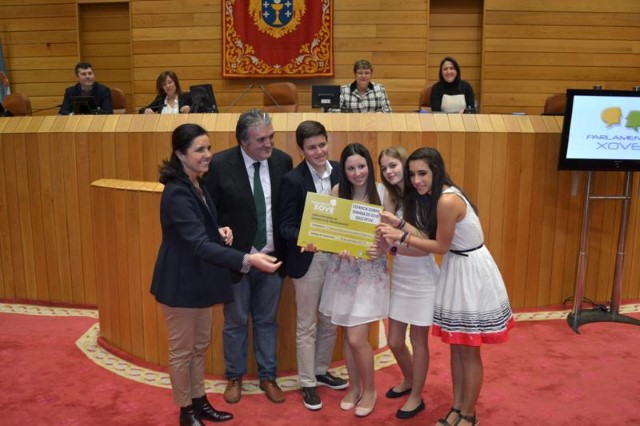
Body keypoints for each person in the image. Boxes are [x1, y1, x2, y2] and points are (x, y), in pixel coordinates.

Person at [150, 123, 282, 426]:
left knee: (199, 347)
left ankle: (200, 403)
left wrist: (217, 230)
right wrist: (247, 259)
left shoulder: (197, 183)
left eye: (208, 148)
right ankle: (186, 412)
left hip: (202, 280)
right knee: (182, 352)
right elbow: (196, 243)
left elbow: (200, 231)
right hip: (181, 284)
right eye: (200, 149)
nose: (208, 154)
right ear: (180, 154)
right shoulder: (176, 191)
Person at [377, 147, 514, 426]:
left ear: (436, 170)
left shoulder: (447, 200)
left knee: (468, 349)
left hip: (470, 271)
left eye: (423, 173)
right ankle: (457, 407)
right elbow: (434, 239)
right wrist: (401, 223)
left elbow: (438, 246)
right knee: (456, 346)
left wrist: (400, 234)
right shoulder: (436, 196)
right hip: (457, 267)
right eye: (412, 174)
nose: (416, 180)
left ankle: (469, 413)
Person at [203, 109, 293, 405]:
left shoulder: (282, 161)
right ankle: (234, 377)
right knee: (235, 321)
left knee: (268, 321)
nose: (269, 144)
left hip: (272, 260)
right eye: (261, 140)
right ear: (243, 141)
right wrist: (218, 231)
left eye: (271, 137)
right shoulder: (218, 165)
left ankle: (268, 376)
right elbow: (208, 213)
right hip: (236, 261)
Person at [279, 120, 348, 411]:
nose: (319, 151)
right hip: (309, 258)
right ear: (301, 149)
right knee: (307, 323)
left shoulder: (342, 170)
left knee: (330, 319)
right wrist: (303, 240)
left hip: (339, 255)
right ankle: (307, 382)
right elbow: (285, 226)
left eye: (322, 144)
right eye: (311, 148)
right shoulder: (292, 180)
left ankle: (321, 369)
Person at [318, 143, 389, 418]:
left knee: (358, 337)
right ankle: (355, 386)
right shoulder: (337, 193)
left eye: (361, 166)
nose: (357, 173)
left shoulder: (383, 193)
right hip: (344, 271)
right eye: (350, 168)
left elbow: (392, 236)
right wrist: (338, 245)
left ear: (369, 167)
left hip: (370, 274)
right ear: (343, 171)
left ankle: (370, 390)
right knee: (348, 336)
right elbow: (331, 235)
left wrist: (381, 248)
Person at [378, 146, 439, 420]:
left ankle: (416, 396)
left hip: (423, 277)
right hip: (401, 274)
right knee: (394, 340)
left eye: (393, 165)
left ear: (404, 165)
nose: (389, 171)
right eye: (384, 168)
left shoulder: (422, 195)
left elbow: (426, 243)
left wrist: (397, 237)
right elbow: (387, 240)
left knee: (418, 341)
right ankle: (410, 379)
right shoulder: (391, 197)